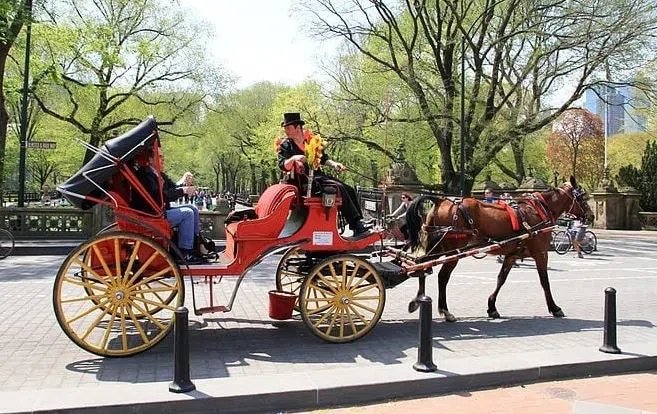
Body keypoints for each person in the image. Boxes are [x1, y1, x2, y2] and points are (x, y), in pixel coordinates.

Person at [276, 112, 370, 236]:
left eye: (288, 128)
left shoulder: (311, 141)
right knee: (339, 188)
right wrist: (294, 158)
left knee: (350, 189)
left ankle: (357, 223)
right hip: (302, 180)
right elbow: (283, 165)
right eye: (285, 128)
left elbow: (323, 158)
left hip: (318, 176)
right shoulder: (286, 145)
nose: (286, 131)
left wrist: (335, 164)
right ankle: (356, 224)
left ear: (297, 128)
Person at [133, 150, 204, 264]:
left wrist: (183, 181)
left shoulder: (159, 174)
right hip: (151, 214)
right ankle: (185, 252)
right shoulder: (146, 175)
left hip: (160, 210)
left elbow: (173, 187)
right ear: (151, 160)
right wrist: (183, 191)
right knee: (187, 213)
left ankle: (196, 246)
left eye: (163, 158)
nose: (163, 160)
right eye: (160, 157)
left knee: (193, 209)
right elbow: (161, 196)